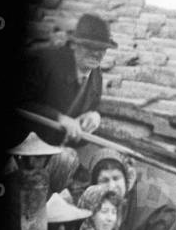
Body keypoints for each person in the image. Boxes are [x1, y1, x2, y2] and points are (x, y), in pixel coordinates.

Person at [17, 13, 117, 144]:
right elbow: (21, 103)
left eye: (102, 48)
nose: (96, 53)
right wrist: (59, 118)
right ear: (74, 44)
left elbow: (93, 106)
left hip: (57, 149)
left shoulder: (96, 75)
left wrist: (94, 117)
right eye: (90, 46)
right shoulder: (45, 61)